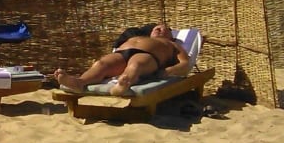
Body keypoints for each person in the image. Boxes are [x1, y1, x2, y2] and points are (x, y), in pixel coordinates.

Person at [53, 22, 190, 97]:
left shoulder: (172, 44)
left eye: (164, 29)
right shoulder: (142, 36)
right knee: (101, 64)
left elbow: (185, 63)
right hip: (122, 52)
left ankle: (121, 85)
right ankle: (79, 82)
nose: (159, 29)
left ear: (171, 36)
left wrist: (168, 71)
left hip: (148, 55)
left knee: (136, 64)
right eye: (156, 28)